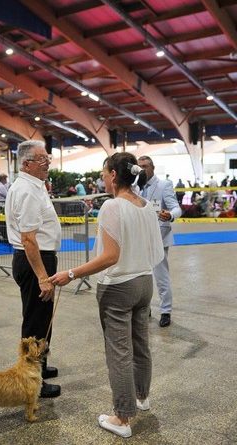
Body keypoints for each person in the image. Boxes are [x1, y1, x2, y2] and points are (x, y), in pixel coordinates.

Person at [49, 152, 164, 438]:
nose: (102, 178)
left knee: (119, 353)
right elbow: (154, 252)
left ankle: (122, 418)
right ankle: (141, 397)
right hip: (144, 282)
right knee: (141, 345)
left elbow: (110, 256)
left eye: (103, 173)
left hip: (119, 288)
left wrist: (72, 273)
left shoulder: (112, 207)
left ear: (113, 175)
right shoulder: (146, 206)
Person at [5, 140, 61, 399]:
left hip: (39, 258)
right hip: (35, 261)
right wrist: (42, 276)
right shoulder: (26, 191)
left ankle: (40, 366)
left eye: (47, 158)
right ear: (27, 164)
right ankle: (30, 381)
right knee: (35, 322)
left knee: (42, 318)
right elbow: (28, 238)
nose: (47, 162)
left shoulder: (33, 186)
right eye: (42, 159)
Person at [138, 156, 182, 327]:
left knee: (161, 277)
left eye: (145, 166)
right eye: (140, 166)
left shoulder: (164, 185)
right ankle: (145, 308)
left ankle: (165, 311)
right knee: (142, 277)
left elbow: (177, 208)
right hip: (141, 238)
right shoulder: (136, 187)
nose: (142, 169)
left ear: (153, 167)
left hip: (159, 237)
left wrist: (170, 215)